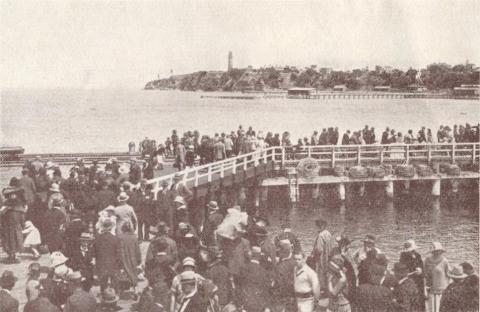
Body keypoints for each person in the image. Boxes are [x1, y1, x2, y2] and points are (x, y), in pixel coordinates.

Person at [91, 218, 122, 292]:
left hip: (101, 263)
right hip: (113, 264)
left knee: (103, 283)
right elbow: (119, 254)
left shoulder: (98, 239)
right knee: (114, 282)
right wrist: (120, 264)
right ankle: (114, 297)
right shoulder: (115, 239)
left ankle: (104, 296)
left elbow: (93, 253)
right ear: (111, 228)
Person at [238, 246, 272, 312]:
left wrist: (241, 305)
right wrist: (267, 306)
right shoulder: (263, 271)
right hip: (260, 304)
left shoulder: (243, 269)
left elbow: (239, 287)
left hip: (246, 304)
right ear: (259, 256)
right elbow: (267, 289)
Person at [1, 183, 26, 263]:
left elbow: (22, 216)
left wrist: (22, 224)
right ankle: (11, 255)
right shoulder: (7, 205)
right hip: (9, 226)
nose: (13, 196)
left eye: (14, 194)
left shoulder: (16, 204)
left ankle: (14, 255)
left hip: (14, 226)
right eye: (11, 195)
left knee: (15, 240)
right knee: (11, 240)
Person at [399, 239, 425, 311]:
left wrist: (420, 270)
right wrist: (412, 272)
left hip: (419, 279)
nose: (412, 251)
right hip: (410, 279)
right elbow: (402, 269)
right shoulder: (403, 256)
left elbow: (421, 265)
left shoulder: (418, 255)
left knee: (419, 297)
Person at [424, 242, 449, 312]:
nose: (437, 253)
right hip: (430, 289)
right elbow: (424, 275)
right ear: (432, 252)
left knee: (440, 309)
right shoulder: (427, 260)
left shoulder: (445, 261)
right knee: (431, 309)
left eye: (438, 251)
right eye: (435, 251)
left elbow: (448, 275)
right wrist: (424, 289)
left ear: (441, 251)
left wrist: (448, 288)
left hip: (441, 289)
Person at [117, 222, 142, 294]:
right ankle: (135, 290)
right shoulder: (134, 237)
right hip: (132, 259)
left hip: (123, 259)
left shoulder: (120, 237)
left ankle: (121, 292)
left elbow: (118, 250)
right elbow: (137, 250)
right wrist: (139, 260)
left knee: (123, 275)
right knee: (133, 275)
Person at [272, 239, 296, 312]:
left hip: (283, 295)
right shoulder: (295, 260)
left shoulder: (281, 265)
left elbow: (279, 282)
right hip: (293, 294)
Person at [311, 219, 335, 287]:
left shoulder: (320, 235)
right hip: (328, 256)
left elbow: (319, 249)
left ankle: (321, 288)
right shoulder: (328, 233)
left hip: (321, 258)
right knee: (327, 272)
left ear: (320, 226)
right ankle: (328, 288)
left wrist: (313, 255)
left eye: (318, 226)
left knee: (320, 273)